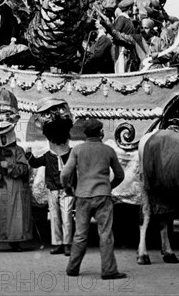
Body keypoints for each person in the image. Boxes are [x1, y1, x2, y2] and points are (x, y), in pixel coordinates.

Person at [61, 119, 127, 280]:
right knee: (105, 234)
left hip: (82, 195)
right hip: (103, 195)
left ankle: (73, 268)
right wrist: (108, 186)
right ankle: (109, 270)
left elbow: (64, 174)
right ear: (101, 133)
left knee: (80, 234)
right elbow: (120, 175)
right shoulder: (108, 150)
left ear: (85, 134)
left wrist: (68, 188)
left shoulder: (77, 150)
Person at [0, 89, 32, 252]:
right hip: (0, 189)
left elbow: (24, 169)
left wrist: (9, 167)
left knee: (15, 216)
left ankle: (15, 242)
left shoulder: (18, 151)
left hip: (14, 189)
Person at [27, 98, 76, 256]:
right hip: (54, 188)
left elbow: (35, 162)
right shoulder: (52, 155)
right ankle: (59, 243)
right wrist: (29, 155)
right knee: (56, 216)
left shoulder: (70, 154)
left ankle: (66, 243)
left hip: (66, 189)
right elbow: (34, 163)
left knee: (66, 216)